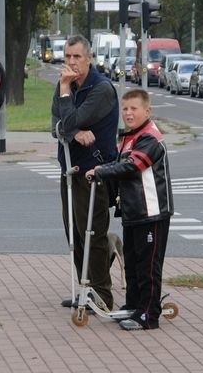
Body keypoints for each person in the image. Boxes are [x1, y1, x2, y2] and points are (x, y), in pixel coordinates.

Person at [85, 89, 174, 331]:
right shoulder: (130, 136)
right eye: (125, 109)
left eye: (134, 108)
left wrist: (101, 171)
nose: (128, 113)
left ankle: (148, 315)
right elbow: (118, 163)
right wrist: (101, 168)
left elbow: (134, 165)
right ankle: (134, 305)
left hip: (151, 213)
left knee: (148, 265)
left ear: (147, 111)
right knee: (133, 264)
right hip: (133, 212)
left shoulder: (150, 138)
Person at [51, 35, 119, 310]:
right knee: (75, 234)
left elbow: (69, 120)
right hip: (69, 168)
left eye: (77, 57)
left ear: (89, 59)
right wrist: (74, 131)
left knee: (91, 232)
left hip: (95, 171)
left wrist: (70, 120)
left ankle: (102, 294)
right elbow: (56, 125)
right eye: (67, 57)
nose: (71, 62)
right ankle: (84, 288)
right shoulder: (65, 86)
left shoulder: (101, 89)